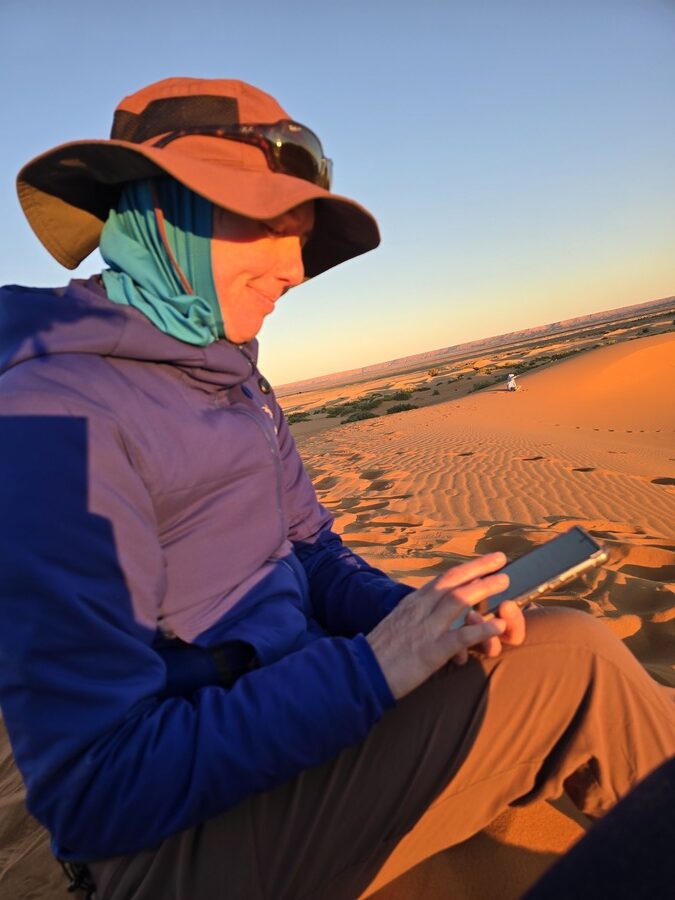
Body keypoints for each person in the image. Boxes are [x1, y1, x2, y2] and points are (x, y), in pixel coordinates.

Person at [0, 77, 672, 900]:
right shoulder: (50, 419)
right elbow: (100, 787)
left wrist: (417, 619)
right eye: (264, 221)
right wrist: (371, 672)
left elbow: (311, 547)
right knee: (577, 665)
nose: (294, 268)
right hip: (173, 843)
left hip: (300, 738)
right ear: (158, 210)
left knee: (543, 644)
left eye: (304, 235)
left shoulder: (230, 373)